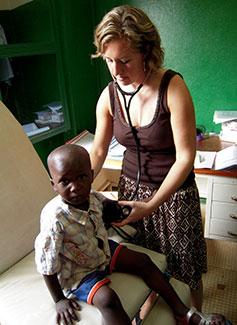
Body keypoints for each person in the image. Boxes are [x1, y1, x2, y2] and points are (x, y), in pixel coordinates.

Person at [90, 4, 206, 314]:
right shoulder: (110, 95)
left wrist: (154, 203)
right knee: (145, 262)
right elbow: (99, 150)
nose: (117, 71)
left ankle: (197, 316)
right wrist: (75, 191)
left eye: (125, 60)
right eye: (109, 61)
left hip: (174, 195)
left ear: (147, 51)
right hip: (130, 193)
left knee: (186, 270)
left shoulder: (173, 87)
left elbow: (186, 157)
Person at [35, 144, 228, 325]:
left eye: (82, 177)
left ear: (92, 175)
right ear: (53, 184)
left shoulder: (93, 198)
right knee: (108, 299)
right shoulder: (55, 218)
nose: (75, 187)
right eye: (65, 181)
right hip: (79, 270)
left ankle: (183, 313)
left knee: (143, 261)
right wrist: (59, 299)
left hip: (101, 250)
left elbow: (106, 207)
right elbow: (46, 263)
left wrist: (123, 209)